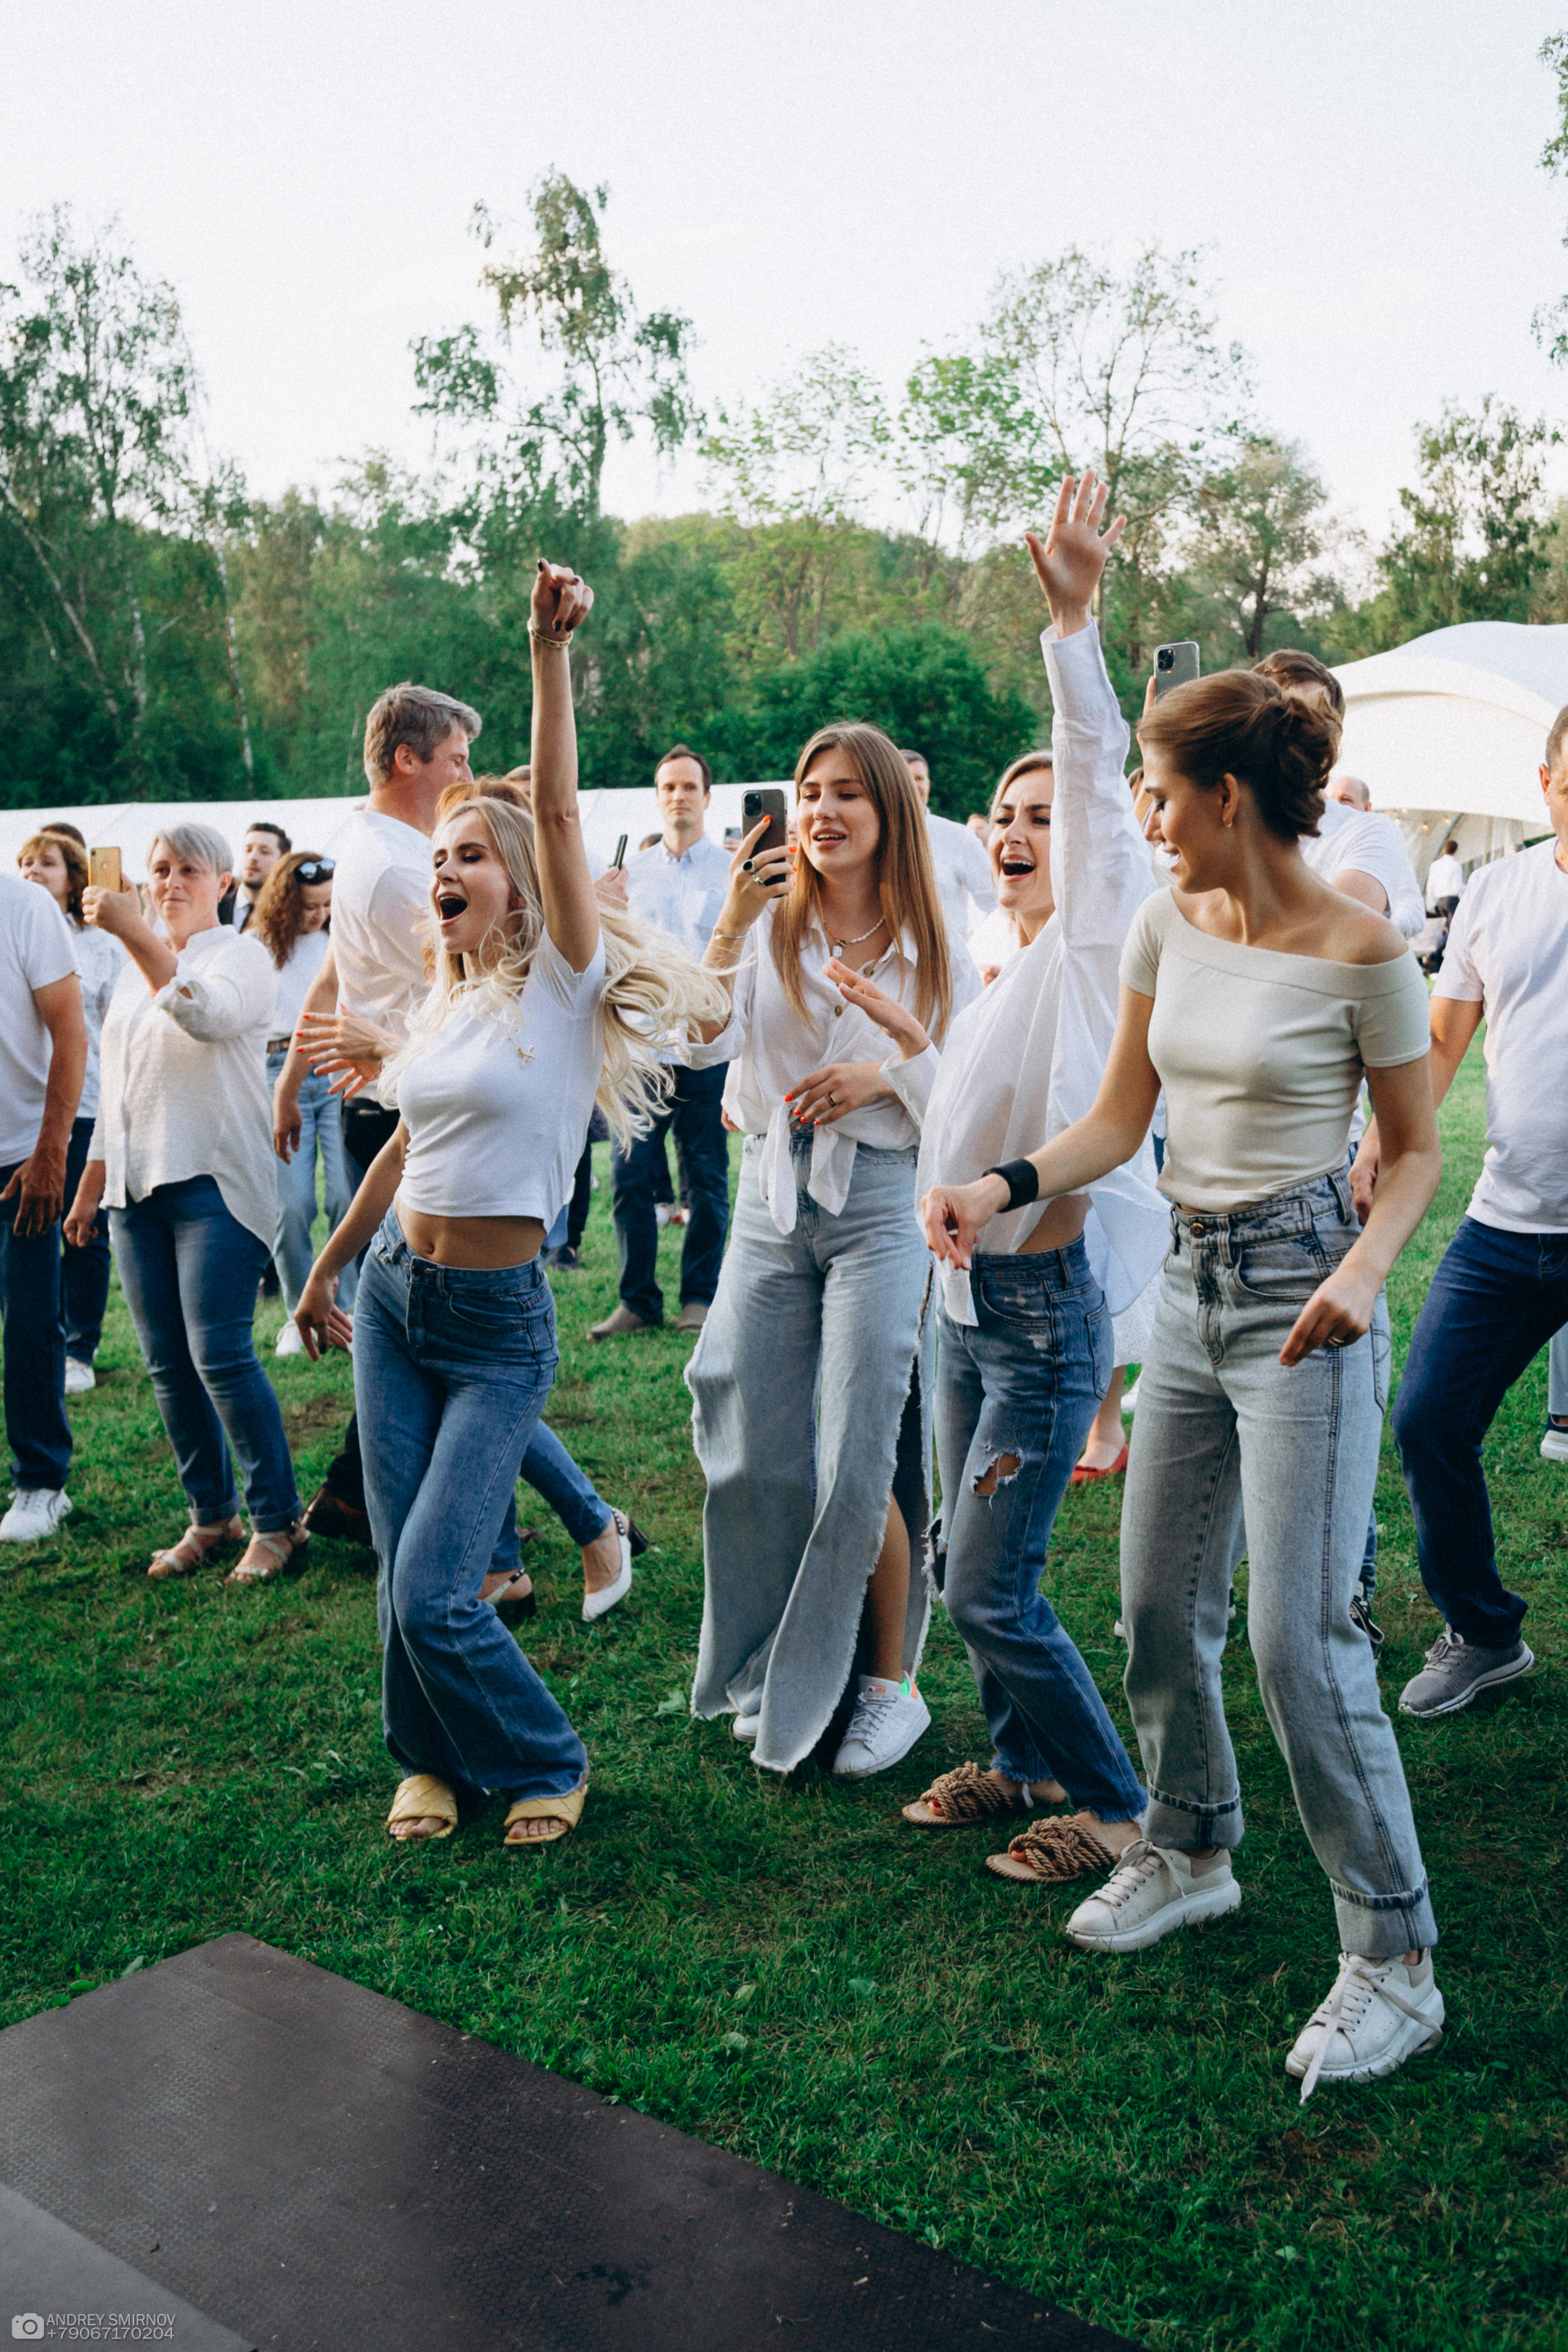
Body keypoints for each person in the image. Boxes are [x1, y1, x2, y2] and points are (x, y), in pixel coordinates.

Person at [926, 638, 1444, 2099]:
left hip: (1302, 1303)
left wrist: (1357, 1273)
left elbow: (1406, 1156)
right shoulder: (1165, 923)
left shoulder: (1360, 952)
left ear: (1224, 793)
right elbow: (1112, 1123)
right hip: (1187, 1290)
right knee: (1156, 1601)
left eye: (1159, 794)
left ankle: (1392, 1957)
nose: (1145, 818)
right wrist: (995, 1182)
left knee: (1298, 1639)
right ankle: (1189, 1844)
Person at [292, 559, 724, 1848]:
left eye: (473, 851)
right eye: (441, 852)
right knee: (399, 1575)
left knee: (437, 1585)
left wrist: (547, 658)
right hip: (393, 1299)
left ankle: (546, 1753)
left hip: (493, 1323)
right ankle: (425, 1756)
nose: (449, 865)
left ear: (524, 881)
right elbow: (402, 1152)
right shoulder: (444, 996)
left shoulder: (561, 982)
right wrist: (328, 1270)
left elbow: (564, 810)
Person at [854, 476, 1166, 1881]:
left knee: (986, 1578)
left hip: (1039, 1310)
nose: (1021, 823)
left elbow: (1093, 768)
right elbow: (968, 1118)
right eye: (1002, 809)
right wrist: (910, 1052)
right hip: (964, 1299)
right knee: (969, 1553)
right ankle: (1023, 1753)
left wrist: (1068, 624)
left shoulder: (1100, 940)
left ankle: (1112, 1800)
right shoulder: (1006, 967)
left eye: (1044, 810)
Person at [685, 718, 981, 1781]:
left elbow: (972, 1092)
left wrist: (892, 1071)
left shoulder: (936, 940)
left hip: (883, 1202)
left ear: (888, 813)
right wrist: (728, 920)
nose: (823, 810)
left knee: (859, 1450)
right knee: (754, 1450)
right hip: (773, 1201)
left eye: (850, 792)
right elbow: (696, 1041)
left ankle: (886, 1687)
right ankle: (767, 1662)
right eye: (811, 791)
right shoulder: (768, 928)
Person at [1357, 709, 1568, 1718]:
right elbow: (1439, 1046)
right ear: (1545, 782)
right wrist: (1379, 1143)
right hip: (1508, 1227)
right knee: (1431, 1421)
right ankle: (1484, 1633)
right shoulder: (1498, 889)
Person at [66, 824, 305, 1584]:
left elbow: (205, 1014)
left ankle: (276, 1522)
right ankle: (212, 1515)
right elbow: (117, 1088)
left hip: (212, 1181)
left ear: (226, 884)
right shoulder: (134, 965)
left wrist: (136, 933)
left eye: (189, 870)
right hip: (136, 1189)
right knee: (167, 1364)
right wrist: (90, 1184)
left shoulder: (243, 957)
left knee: (222, 1356)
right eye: (160, 869)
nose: (171, 882)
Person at [274, 682, 483, 1541]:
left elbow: (331, 977)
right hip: (412, 1107)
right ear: (408, 760)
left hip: (383, 1098)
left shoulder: (362, 837)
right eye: (457, 761)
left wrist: (291, 1076)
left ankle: (358, 1494)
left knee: (418, 1321)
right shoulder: (405, 868)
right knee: (457, 1332)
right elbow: (485, 977)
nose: (466, 776)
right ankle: (435, 1515)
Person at [591, 743, 733, 1340]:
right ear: (657, 799)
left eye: (688, 787)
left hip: (703, 1048)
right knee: (631, 1177)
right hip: (645, 1050)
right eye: (668, 788)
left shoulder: (732, 872)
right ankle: (637, 1299)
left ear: (706, 796)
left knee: (705, 1177)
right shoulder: (630, 878)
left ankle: (699, 1296)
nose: (678, 797)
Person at [18, 831, 124, 1394]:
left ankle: (80, 1348)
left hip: (87, 1102)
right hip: (26, 1108)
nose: (34, 871)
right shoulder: (15, 929)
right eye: (26, 862)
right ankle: (43, 1339)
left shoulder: (99, 944)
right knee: (28, 1230)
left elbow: (112, 1025)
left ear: (73, 875)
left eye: (47, 863)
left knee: (82, 1227)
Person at [0, 872, 86, 1544]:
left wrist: (51, 1151)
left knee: (29, 1322)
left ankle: (41, 1481)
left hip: (19, 1159)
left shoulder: (24, 906)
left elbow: (70, 1032)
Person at [252, 853, 356, 1357]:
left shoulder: (340, 942)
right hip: (278, 1073)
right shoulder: (257, 948)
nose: (318, 915)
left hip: (335, 1069)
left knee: (346, 1196)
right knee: (292, 1205)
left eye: (327, 905)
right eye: (310, 905)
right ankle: (298, 1313)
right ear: (285, 900)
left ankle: (349, 1309)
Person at [901, 750, 997, 940]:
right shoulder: (867, 838)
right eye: (904, 778)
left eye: (919, 778)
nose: (912, 785)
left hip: (945, 963)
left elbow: (995, 904)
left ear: (928, 785)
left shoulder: (959, 838)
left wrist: (978, 953)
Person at [221, 821, 291, 932]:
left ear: (283, 862)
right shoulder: (214, 909)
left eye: (265, 852)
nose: (252, 857)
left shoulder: (290, 916)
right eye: (248, 850)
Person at [1425, 839, 1466, 919]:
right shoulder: (1456, 866)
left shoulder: (1434, 865)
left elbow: (1430, 888)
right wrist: (1468, 887)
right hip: (1452, 901)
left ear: (1444, 850)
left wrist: (1434, 904)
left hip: (1440, 902)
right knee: (1454, 929)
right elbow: (1457, 888)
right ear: (1456, 851)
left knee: (1444, 928)